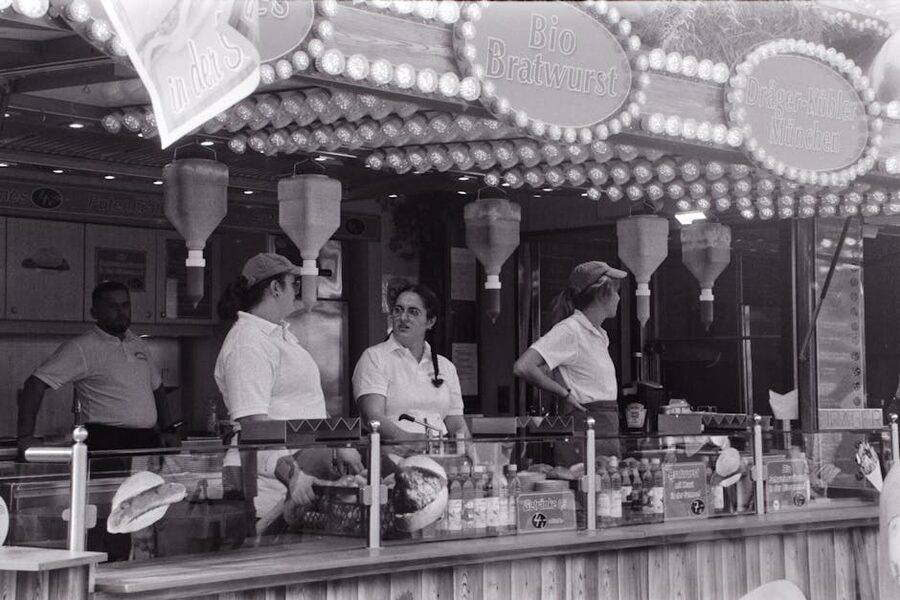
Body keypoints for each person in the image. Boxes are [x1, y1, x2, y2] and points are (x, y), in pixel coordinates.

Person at [215, 253, 363, 523]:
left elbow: (306, 405)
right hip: (269, 484)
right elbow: (253, 423)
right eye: (293, 283)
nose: (297, 290)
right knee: (265, 557)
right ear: (274, 288)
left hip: (301, 475)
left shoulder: (279, 335)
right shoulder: (247, 343)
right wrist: (294, 474)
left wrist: (337, 442)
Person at [17, 281, 173, 459]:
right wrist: (25, 437)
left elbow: (158, 389)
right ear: (94, 312)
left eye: (125, 305)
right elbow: (34, 384)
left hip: (147, 440)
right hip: (106, 441)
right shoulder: (82, 347)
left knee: (146, 487)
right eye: (112, 306)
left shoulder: (138, 344)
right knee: (109, 487)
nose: (121, 311)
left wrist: (168, 429)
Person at [513, 261, 626, 457]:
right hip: (586, 426)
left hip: (605, 427)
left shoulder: (598, 334)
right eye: (616, 292)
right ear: (602, 293)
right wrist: (564, 393)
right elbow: (523, 366)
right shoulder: (571, 330)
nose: (619, 298)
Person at [353, 284, 470, 444]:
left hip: (439, 454)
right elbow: (372, 417)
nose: (403, 318)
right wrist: (410, 440)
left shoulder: (446, 367)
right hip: (391, 455)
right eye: (398, 310)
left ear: (430, 321)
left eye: (413, 312)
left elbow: (456, 423)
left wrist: (470, 454)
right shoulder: (374, 358)